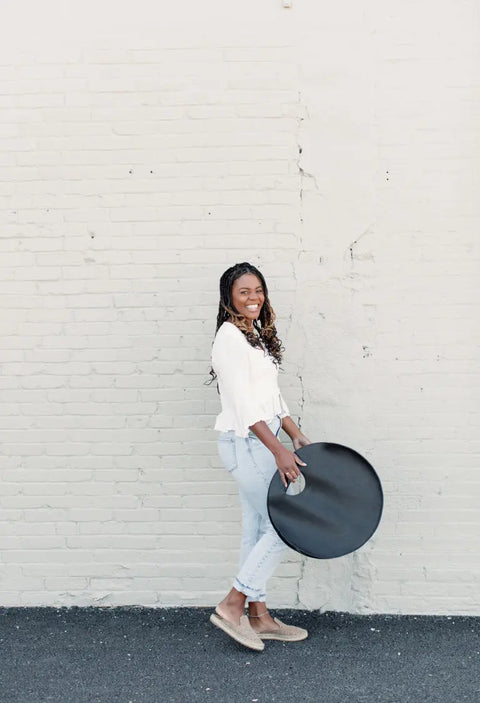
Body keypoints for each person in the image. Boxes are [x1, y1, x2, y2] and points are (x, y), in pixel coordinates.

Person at [207, 262, 312, 651]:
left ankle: (259, 615)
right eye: (243, 292)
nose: (253, 298)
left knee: (256, 531)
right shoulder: (230, 338)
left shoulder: (255, 336)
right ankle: (233, 605)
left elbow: (271, 397)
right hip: (248, 445)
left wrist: (295, 433)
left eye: (258, 290)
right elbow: (244, 406)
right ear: (229, 298)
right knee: (284, 528)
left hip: (262, 442)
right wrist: (279, 449)